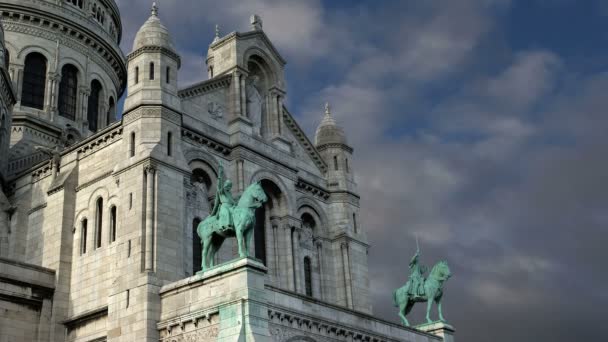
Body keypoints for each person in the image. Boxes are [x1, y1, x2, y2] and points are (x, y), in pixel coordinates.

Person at [211, 163, 236, 230]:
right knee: (227, 212)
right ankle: (227, 226)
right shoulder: (222, 191)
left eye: (229, 185)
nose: (228, 186)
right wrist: (220, 175)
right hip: (224, 207)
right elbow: (219, 187)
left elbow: (232, 200)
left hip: (231, 207)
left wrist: (235, 204)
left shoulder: (229, 193)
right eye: (227, 184)